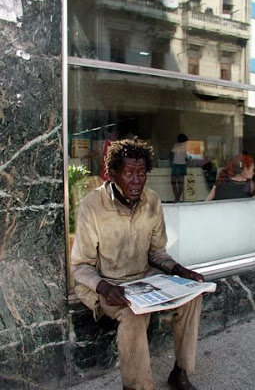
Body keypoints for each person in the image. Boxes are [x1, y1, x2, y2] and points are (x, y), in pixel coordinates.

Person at [71, 137, 204, 390]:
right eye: (128, 173)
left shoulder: (152, 200)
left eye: (141, 173)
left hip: (144, 277)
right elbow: (80, 266)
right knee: (133, 316)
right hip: (108, 284)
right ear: (112, 174)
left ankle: (180, 372)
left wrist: (179, 270)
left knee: (193, 298)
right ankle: (136, 387)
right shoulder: (91, 206)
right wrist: (104, 288)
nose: (136, 181)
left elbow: (157, 253)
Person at [170, 134, 188, 202]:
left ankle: (176, 197)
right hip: (183, 165)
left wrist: (171, 161)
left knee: (173, 182)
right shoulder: (187, 145)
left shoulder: (176, 144)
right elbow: (188, 157)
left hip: (175, 164)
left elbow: (172, 154)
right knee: (181, 182)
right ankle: (178, 197)